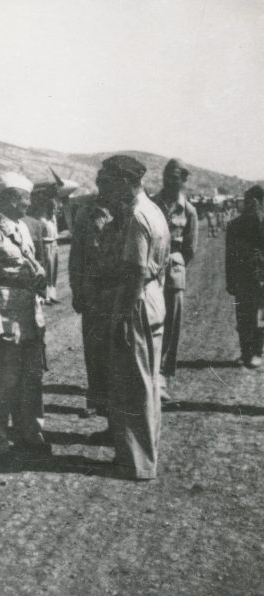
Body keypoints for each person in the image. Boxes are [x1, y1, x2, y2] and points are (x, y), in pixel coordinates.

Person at [0, 171, 50, 456]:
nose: (29, 204)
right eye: (25, 199)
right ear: (11, 200)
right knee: (3, 383)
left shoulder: (22, 228)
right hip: (5, 320)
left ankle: (30, 432)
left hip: (27, 317)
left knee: (30, 379)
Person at [107, 155, 170, 480]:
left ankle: (138, 462)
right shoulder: (155, 211)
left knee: (135, 382)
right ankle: (146, 454)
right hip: (154, 297)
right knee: (148, 378)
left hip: (137, 300)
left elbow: (134, 271)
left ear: (123, 181)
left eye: (110, 180)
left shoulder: (136, 215)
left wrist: (121, 316)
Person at [68, 169, 113, 417]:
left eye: (106, 184)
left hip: (116, 291)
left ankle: (114, 403)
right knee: (93, 348)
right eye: (100, 184)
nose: (102, 189)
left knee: (115, 349)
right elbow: (76, 257)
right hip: (93, 292)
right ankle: (97, 399)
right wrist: (76, 290)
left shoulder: (124, 212)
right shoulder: (85, 214)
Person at [153, 159, 198, 400]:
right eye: (166, 175)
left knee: (171, 325)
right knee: (150, 322)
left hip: (173, 275)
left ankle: (162, 376)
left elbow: (190, 248)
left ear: (183, 180)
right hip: (151, 273)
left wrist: (175, 264)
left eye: (174, 176)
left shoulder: (188, 210)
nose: (168, 180)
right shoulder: (151, 204)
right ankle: (149, 373)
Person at [226, 185, 264, 368]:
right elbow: (229, 256)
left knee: (259, 318)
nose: (247, 204)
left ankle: (257, 352)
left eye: (252, 201)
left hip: (261, 279)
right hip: (243, 279)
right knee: (243, 318)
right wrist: (230, 281)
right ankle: (246, 352)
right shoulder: (234, 225)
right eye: (247, 201)